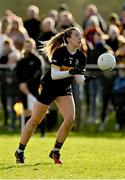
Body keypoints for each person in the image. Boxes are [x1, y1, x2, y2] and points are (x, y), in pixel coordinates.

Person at [15, 27, 90, 164]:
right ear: (68, 39)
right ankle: (20, 151)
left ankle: (55, 151)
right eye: (77, 36)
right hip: (49, 87)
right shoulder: (59, 52)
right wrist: (71, 72)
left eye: (81, 36)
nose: (80, 38)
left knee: (70, 118)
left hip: (63, 89)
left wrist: (86, 80)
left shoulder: (81, 56)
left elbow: (78, 79)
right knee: (35, 120)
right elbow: (55, 76)